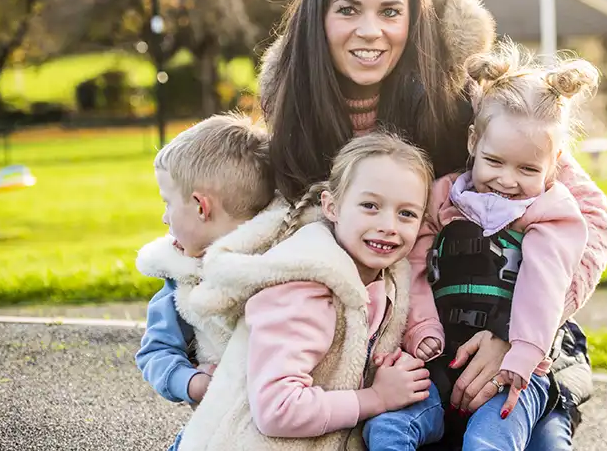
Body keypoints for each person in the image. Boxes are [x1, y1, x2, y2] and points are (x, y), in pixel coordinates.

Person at [257, 0, 607, 447]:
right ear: (318, 17)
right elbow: (263, 233)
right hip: (389, 357)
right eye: (347, 9)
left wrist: (512, 337)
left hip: (503, 330)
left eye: (389, 12)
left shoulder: (461, 102)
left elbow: (592, 220)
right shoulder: (294, 114)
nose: (369, 31)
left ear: (413, 16)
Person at [364, 41, 599, 450]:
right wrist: (422, 328)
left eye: (527, 168)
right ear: (473, 142)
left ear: (555, 161)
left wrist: (522, 353)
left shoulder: (549, 211)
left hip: (518, 371)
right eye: (494, 162)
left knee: (488, 442)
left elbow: (544, 285)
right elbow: (413, 267)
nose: (507, 180)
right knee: (386, 430)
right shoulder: (442, 198)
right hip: (440, 360)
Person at [174, 132, 439, 451]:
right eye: (370, 206)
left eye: (406, 213)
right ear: (332, 206)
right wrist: (376, 397)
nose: (389, 225)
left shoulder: (386, 277)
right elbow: (278, 408)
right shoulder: (306, 286)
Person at [134, 112, 275, 451]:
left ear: (200, 206)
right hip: (217, 425)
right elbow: (156, 350)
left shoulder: (276, 262)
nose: (164, 217)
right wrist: (194, 382)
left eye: (168, 203)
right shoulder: (181, 274)